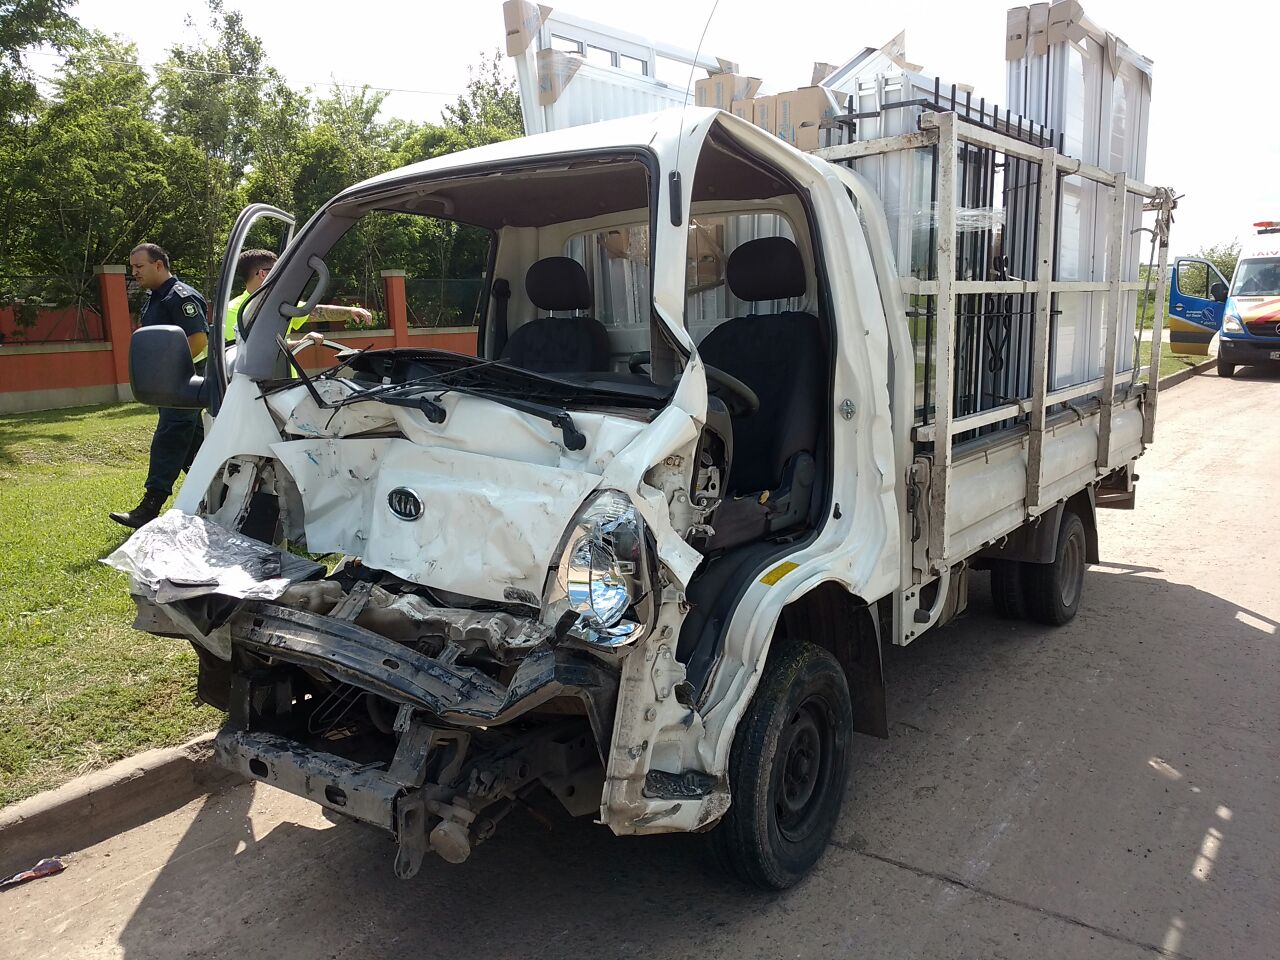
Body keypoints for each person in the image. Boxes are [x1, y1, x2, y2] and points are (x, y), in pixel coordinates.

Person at [109, 243, 209, 529]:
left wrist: (168, 370)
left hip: (183, 386)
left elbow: (199, 339)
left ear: (159, 265)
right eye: (132, 268)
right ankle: (218, 496)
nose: (134, 272)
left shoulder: (180, 297)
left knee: (169, 436)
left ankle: (149, 507)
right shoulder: (155, 298)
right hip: (171, 385)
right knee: (194, 447)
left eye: (139, 266)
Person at [225, 249, 373, 362]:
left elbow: (311, 311)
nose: (284, 276)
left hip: (284, 383)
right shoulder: (234, 311)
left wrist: (350, 311)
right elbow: (251, 351)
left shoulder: (278, 303)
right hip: (255, 391)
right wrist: (302, 343)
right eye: (278, 271)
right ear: (263, 274)